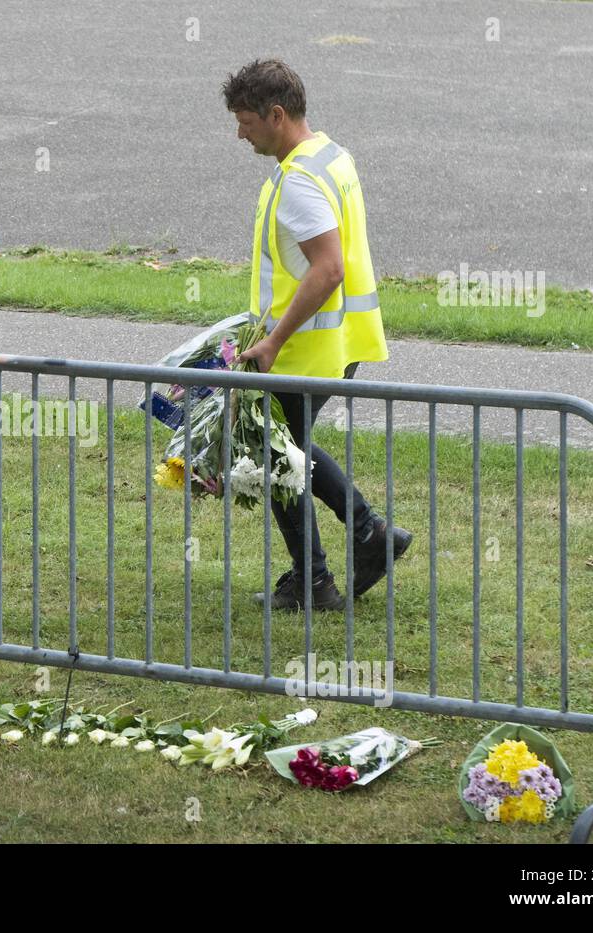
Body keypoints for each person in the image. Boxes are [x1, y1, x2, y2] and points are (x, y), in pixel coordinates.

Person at [224, 59, 411, 611]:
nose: (239, 133)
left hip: (302, 349)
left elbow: (328, 270)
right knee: (286, 449)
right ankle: (365, 538)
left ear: (275, 115)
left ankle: (321, 576)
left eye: (245, 121)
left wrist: (274, 341)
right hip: (335, 343)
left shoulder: (301, 179)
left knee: (274, 458)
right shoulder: (328, 153)